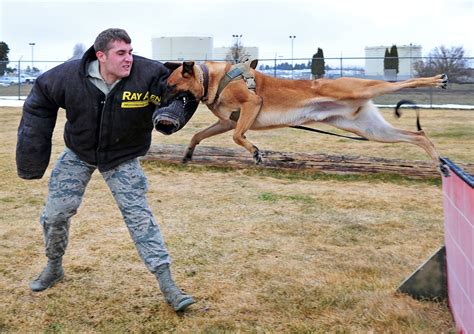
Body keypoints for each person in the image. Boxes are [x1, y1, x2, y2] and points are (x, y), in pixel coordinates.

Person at [16, 28, 198, 312]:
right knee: (55, 215)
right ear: (101, 56)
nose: (129, 59)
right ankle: (53, 267)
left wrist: (173, 111)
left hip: (122, 156)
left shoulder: (150, 74)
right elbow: (39, 104)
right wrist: (31, 159)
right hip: (79, 153)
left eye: (131, 52)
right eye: (120, 53)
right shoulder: (67, 77)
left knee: (140, 219)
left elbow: (184, 90)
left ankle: (168, 285)